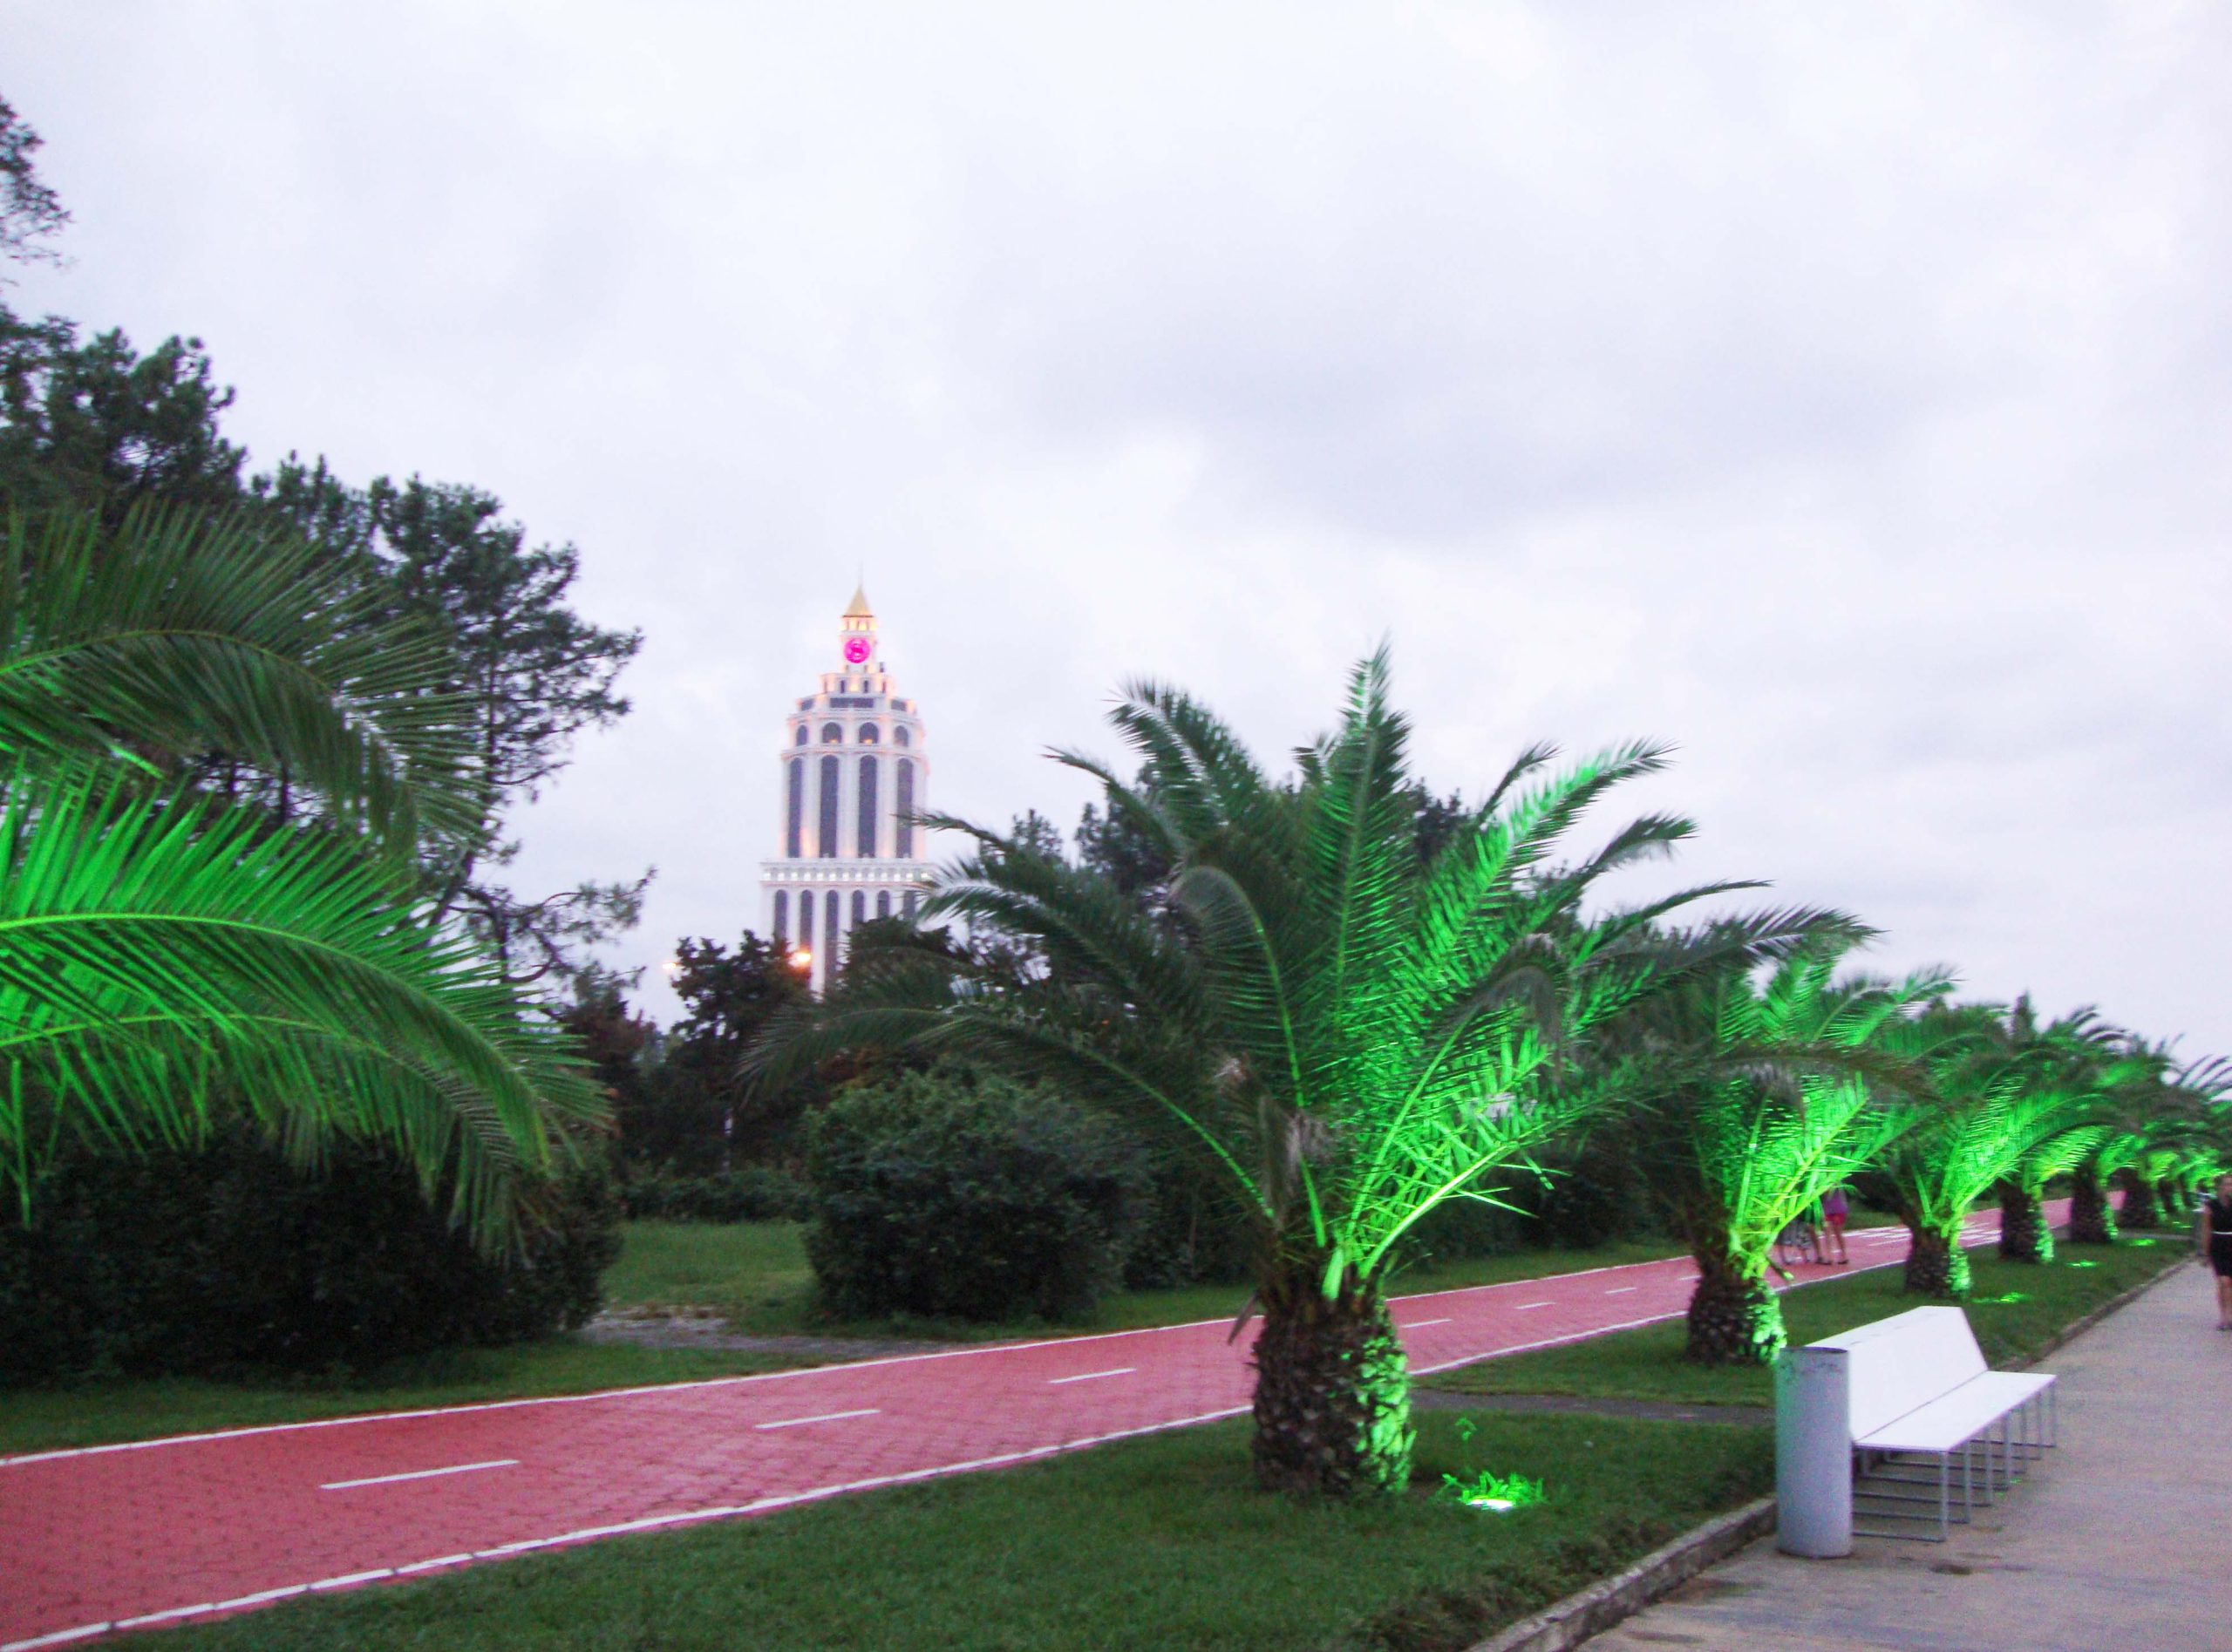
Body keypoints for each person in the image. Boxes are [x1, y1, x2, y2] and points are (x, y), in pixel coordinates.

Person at [2199, 1173, 2232, 1331]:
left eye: (2231, 1185)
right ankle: (2224, 1317)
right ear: (2220, 1186)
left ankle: (2230, 1315)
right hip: (2218, 1245)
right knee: (2223, 1281)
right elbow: (2206, 1229)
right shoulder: (2210, 1206)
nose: (2229, 1188)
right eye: (2226, 1184)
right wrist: (2205, 1253)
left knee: (2229, 1283)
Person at [1820, 1184, 1851, 1265]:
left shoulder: (1836, 1179)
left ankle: (1843, 1255)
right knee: (1827, 1232)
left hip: (1838, 1209)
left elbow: (1829, 1192)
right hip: (1827, 1210)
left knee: (1837, 1232)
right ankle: (1829, 1257)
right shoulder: (1821, 1178)